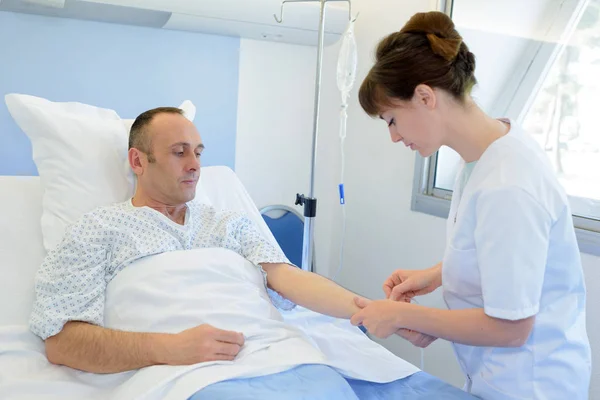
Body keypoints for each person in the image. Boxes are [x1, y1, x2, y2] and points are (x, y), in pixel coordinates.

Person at [350, 10, 591, 400]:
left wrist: (402, 315)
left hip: (532, 385)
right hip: (498, 377)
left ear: (425, 97)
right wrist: (437, 274)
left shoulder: (508, 183)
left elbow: (512, 327)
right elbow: (505, 252)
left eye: (391, 119)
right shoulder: (485, 156)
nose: (394, 137)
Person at [29, 107, 362, 375]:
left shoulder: (228, 222)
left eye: (198, 153)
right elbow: (63, 343)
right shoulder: (98, 229)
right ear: (138, 161)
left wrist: (367, 310)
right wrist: (168, 348)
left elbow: (288, 278)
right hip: (188, 376)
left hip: (274, 354)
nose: (194, 166)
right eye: (179, 152)